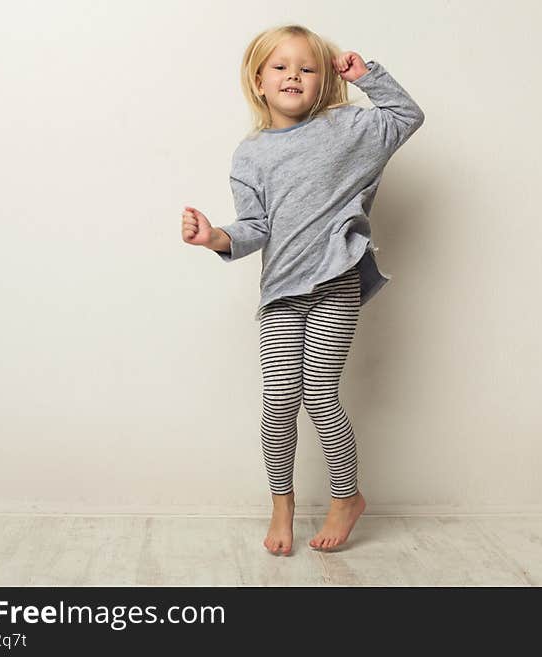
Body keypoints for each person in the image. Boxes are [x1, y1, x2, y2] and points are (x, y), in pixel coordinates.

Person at [181, 24, 424, 555]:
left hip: (335, 283)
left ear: (322, 83)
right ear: (259, 81)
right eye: (281, 67)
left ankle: (345, 497)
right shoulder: (250, 156)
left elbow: (407, 116)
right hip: (281, 292)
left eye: (307, 68)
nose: (294, 75)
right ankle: (282, 502)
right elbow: (256, 226)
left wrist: (369, 77)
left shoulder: (347, 129)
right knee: (278, 402)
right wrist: (215, 236)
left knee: (319, 394)